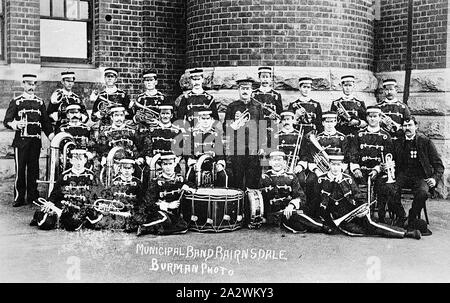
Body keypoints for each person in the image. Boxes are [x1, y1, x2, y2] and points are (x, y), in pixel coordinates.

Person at [318, 152, 421, 240]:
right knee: (361, 231)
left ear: (342, 166)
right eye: (333, 165)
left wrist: (363, 209)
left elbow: (359, 196)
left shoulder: (348, 179)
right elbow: (317, 201)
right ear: (329, 165)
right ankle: (401, 232)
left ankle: (405, 233)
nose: (335, 168)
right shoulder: (321, 179)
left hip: (351, 213)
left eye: (338, 165)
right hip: (337, 218)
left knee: (371, 225)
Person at [349, 106, 407, 226]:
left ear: (380, 118)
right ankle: (356, 215)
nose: (372, 119)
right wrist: (356, 168)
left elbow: (389, 156)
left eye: (375, 116)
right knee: (349, 183)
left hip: (379, 171)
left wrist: (377, 169)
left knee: (386, 187)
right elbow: (353, 154)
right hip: (362, 171)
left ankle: (381, 217)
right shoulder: (359, 134)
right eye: (370, 116)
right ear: (366, 117)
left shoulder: (386, 136)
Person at [3, 74, 54, 207]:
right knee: (20, 170)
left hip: (35, 142)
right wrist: (15, 124)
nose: (31, 87)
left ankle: (33, 196)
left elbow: (46, 123)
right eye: (29, 84)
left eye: (33, 84)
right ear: (23, 84)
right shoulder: (17, 101)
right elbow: (7, 121)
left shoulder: (40, 102)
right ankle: (19, 197)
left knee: (34, 169)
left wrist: (51, 137)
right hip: (21, 142)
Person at [259, 151, 332, 234]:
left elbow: (301, 196)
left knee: (298, 224)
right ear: (270, 162)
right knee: (300, 226)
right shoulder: (264, 178)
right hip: (273, 215)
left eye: (279, 160)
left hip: (290, 212)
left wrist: (291, 205)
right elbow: (261, 198)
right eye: (274, 160)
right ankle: (322, 226)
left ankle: (322, 226)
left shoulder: (291, 177)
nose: (277, 163)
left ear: (284, 163)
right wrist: (263, 216)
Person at [30, 149, 98, 231]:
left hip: (83, 206)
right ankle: (39, 215)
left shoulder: (91, 176)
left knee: (78, 224)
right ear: (72, 161)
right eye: (76, 159)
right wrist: (50, 202)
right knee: (46, 224)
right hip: (65, 205)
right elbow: (55, 193)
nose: (78, 163)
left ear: (85, 160)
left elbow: (97, 193)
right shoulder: (64, 175)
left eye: (81, 159)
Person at [395, 117, 444, 231]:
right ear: (402, 127)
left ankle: (412, 217)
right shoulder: (398, 142)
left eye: (410, 125)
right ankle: (401, 216)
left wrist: (434, 179)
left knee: (423, 193)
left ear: (416, 126)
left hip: (420, 176)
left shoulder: (425, 141)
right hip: (403, 174)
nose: (407, 128)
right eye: (405, 126)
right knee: (391, 190)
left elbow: (438, 165)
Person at [301, 111, 350, 218]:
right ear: (322, 123)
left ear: (336, 122)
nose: (329, 124)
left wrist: (338, 171)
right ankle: (314, 211)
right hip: (320, 170)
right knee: (310, 180)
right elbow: (311, 158)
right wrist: (318, 172)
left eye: (332, 121)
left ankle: (341, 210)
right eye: (327, 122)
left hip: (337, 170)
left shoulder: (342, 138)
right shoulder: (317, 138)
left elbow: (346, 158)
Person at [137, 153, 194, 236]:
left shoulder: (180, 179)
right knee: (165, 219)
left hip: (173, 214)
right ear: (161, 166)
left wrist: (188, 188)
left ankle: (156, 230)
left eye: (170, 164)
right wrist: (167, 205)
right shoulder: (155, 181)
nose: (168, 167)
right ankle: (144, 227)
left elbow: (193, 186)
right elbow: (148, 203)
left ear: (175, 164)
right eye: (165, 164)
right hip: (158, 211)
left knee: (184, 226)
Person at [223, 78, 264, 190]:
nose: (245, 91)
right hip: (237, 148)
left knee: (252, 177)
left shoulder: (257, 107)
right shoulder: (232, 106)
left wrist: (262, 146)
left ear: (252, 91)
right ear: (239, 90)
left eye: (247, 89)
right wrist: (232, 126)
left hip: (253, 148)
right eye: (242, 89)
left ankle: (251, 204)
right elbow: (225, 128)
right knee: (237, 177)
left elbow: (262, 127)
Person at [86, 158, 143, 231]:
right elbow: (108, 197)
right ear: (120, 169)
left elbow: (141, 200)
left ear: (133, 170)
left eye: (129, 168)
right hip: (117, 213)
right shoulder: (115, 181)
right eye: (124, 168)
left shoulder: (138, 183)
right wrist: (107, 205)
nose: (127, 171)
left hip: (132, 212)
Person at [186, 108, 227, 187]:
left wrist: (220, 163)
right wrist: (192, 162)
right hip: (197, 163)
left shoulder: (215, 134)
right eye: (203, 118)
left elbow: (220, 151)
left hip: (212, 164)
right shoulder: (193, 134)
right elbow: (188, 150)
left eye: (207, 118)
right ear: (199, 119)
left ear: (211, 120)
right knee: (190, 177)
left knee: (223, 176)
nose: (205, 121)